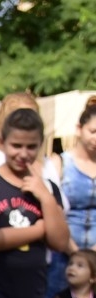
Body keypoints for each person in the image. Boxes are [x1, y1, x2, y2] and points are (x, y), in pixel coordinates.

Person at [0, 108, 69, 298]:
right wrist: (38, 230)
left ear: (40, 145)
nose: (23, 153)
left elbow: (60, 242)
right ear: (1, 142)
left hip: (32, 292)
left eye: (31, 147)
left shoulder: (46, 188)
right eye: (16, 146)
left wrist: (46, 198)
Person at [49, 96, 96, 266]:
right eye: (93, 131)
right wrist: (75, 253)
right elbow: (53, 210)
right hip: (63, 256)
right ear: (79, 128)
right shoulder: (60, 163)